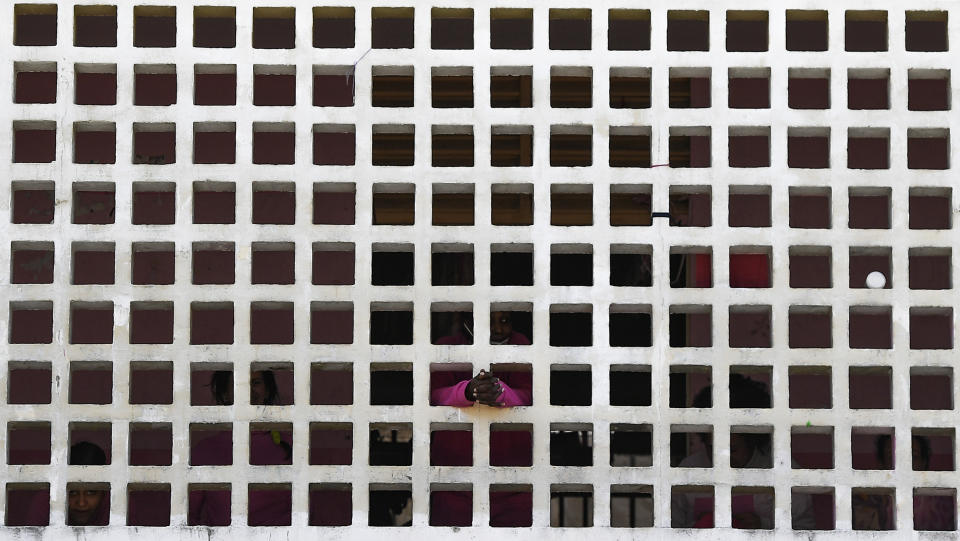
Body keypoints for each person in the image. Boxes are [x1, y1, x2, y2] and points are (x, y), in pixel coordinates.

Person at [671, 376, 815, 529]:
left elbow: (803, 528)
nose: (722, 459)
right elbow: (671, 527)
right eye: (712, 448)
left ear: (752, 440)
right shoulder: (689, 470)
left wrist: (763, 527)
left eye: (732, 449)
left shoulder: (780, 470)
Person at [189, 370, 292, 526]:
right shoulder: (205, 450)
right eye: (239, 383)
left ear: (267, 391)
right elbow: (189, 515)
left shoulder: (291, 445)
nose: (249, 390)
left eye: (256, 383)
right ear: (225, 394)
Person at [67, 442, 109, 526]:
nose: (81, 503)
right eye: (72, 492)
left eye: (90, 492)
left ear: (104, 491)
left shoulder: (118, 509)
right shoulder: (44, 507)